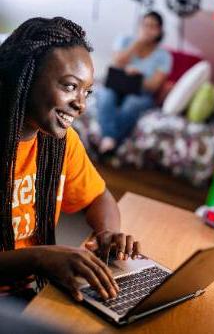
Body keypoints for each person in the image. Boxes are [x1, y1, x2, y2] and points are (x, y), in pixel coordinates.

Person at [0, 17, 140, 305]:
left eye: (86, 91)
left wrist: (108, 233)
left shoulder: (60, 143)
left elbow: (98, 197)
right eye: (69, 86)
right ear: (25, 76)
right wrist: (39, 257)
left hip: (32, 290)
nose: (81, 104)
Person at [96, 11, 173, 154]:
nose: (148, 30)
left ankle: (109, 140)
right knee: (105, 96)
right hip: (116, 85)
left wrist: (139, 77)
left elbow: (154, 86)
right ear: (140, 26)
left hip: (141, 93)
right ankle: (111, 140)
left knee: (132, 104)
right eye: (145, 25)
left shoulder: (165, 56)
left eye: (153, 27)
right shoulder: (124, 40)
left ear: (159, 31)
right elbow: (117, 63)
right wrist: (137, 43)